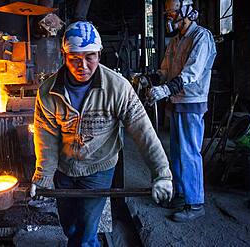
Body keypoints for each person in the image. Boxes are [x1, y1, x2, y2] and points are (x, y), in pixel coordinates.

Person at [30, 20, 173, 246]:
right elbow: (45, 136)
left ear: (99, 53)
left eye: (90, 57)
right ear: (64, 56)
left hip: (99, 169)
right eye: (75, 58)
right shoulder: (48, 92)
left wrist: (162, 173)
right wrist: (44, 175)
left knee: (85, 231)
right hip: (64, 170)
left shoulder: (118, 87)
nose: (83, 65)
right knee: (70, 226)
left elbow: (143, 131)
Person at [147, 0, 217, 222]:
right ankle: (180, 194)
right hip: (177, 101)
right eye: (167, 13)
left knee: (189, 152)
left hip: (192, 101)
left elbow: (192, 73)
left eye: (171, 13)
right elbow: (166, 70)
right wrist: (151, 79)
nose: (169, 17)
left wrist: (165, 89)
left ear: (186, 11)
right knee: (177, 151)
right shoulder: (176, 41)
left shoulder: (201, 37)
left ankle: (195, 203)